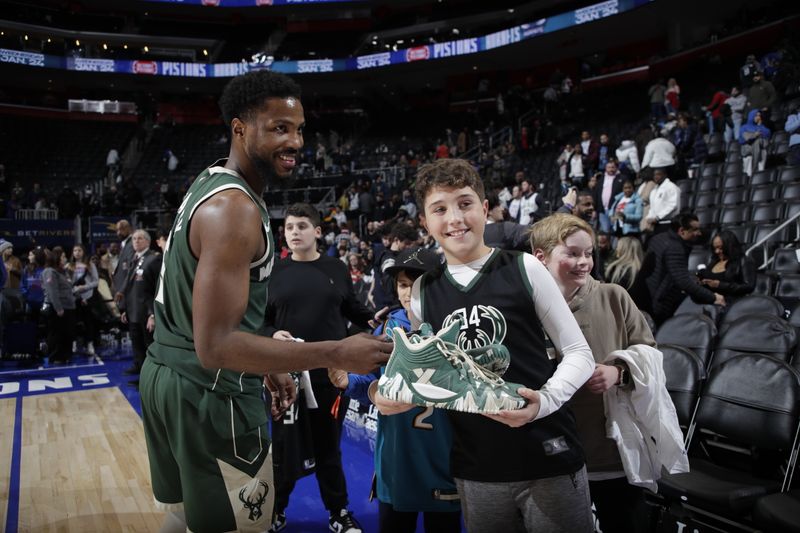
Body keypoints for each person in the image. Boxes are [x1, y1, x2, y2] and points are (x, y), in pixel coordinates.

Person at [139, 70, 390, 533]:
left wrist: (267, 362)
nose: (295, 141)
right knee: (238, 525)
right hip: (207, 389)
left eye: (298, 129)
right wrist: (335, 351)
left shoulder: (211, 180)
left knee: (186, 517)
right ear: (240, 128)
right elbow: (215, 346)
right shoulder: (236, 209)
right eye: (279, 128)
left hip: (170, 378)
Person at [375, 158, 596, 533]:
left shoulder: (525, 268)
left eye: (465, 203)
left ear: (485, 208)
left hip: (547, 454)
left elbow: (580, 353)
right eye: (439, 209)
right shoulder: (422, 294)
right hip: (476, 466)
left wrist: (544, 401)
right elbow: (433, 374)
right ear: (425, 223)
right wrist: (394, 393)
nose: (455, 218)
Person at [530, 213, 661, 533]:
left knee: (622, 520)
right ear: (541, 257)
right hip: (550, 449)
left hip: (608, 449)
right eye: (572, 253)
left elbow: (651, 354)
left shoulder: (613, 296)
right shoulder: (526, 307)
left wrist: (619, 372)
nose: (583, 262)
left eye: (588, 253)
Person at [264, 203, 379, 533]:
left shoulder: (337, 268)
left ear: (317, 231)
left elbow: (353, 308)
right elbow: (259, 321)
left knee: (329, 448)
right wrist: (272, 334)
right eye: (289, 227)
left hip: (330, 376)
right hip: (286, 379)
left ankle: (338, 512)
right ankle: (276, 512)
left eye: (302, 226)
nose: (295, 232)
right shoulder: (274, 272)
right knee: (284, 450)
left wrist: (374, 319)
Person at [335, 246, 461, 533]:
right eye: (403, 284)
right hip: (397, 458)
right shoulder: (390, 327)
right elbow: (371, 383)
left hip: (444, 458)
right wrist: (348, 382)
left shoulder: (457, 328)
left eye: (418, 284)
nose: (409, 292)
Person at [630, 213, 723, 325]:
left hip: (641, 301)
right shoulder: (675, 248)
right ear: (682, 231)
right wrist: (712, 297)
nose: (699, 233)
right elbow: (683, 281)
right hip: (655, 306)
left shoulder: (658, 238)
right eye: (695, 230)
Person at [119, 230, 161, 377]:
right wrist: (124, 308)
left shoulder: (153, 259)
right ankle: (138, 367)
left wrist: (153, 314)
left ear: (148, 242)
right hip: (133, 310)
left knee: (148, 344)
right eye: (134, 238)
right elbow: (129, 286)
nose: (136, 241)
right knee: (136, 343)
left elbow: (156, 289)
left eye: (140, 238)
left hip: (145, 311)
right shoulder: (133, 259)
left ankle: (148, 376)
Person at [697, 230, 756, 306]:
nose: (717, 251)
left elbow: (749, 286)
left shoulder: (744, 260)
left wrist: (720, 285)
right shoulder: (714, 261)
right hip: (711, 302)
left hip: (732, 303)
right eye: (715, 248)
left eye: (720, 248)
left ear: (729, 246)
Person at [41, 249, 76, 363]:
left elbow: (70, 285)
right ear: (57, 258)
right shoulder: (49, 271)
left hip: (69, 307)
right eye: (63, 256)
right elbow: (52, 292)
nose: (65, 259)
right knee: (56, 333)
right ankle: (56, 356)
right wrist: (58, 308)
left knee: (67, 333)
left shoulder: (62, 271)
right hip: (58, 308)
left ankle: (66, 355)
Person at [68, 243, 100, 356]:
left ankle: (90, 344)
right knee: (73, 322)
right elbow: (67, 283)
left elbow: (96, 282)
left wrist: (84, 287)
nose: (77, 252)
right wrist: (73, 289)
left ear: (83, 252)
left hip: (87, 297)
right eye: (75, 250)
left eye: (79, 250)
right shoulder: (69, 266)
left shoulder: (90, 265)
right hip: (73, 298)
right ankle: (73, 343)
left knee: (88, 322)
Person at [641, 169, 680, 235]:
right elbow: (652, 207)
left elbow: (673, 205)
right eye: (654, 175)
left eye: (658, 174)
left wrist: (658, 217)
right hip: (655, 225)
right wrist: (649, 217)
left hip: (667, 223)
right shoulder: (654, 190)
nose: (656, 177)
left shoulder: (671, 187)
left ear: (665, 175)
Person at [593, 160, 626, 234]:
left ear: (616, 168)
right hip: (602, 210)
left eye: (613, 167)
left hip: (615, 210)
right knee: (605, 232)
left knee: (615, 232)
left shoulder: (622, 179)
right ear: (605, 168)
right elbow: (596, 194)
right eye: (609, 167)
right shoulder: (601, 179)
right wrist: (594, 209)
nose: (611, 169)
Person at [739, 109, 771, 176]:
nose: (758, 117)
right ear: (751, 116)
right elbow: (746, 137)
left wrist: (760, 126)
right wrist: (755, 135)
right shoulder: (744, 127)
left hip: (760, 153)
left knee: (761, 145)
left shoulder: (762, 127)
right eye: (756, 115)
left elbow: (768, 134)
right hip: (748, 151)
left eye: (759, 116)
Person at [112, 219, 134, 303]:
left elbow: (130, 269)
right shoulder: (124, 243)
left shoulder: (132, 243)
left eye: (121, 229)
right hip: (122, 289)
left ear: (129, 228)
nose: (118, 233)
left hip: (127, 290)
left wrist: (122, 289)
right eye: (117, 230)